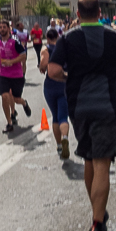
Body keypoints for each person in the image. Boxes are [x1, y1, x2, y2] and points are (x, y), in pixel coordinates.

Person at [48, 0, 116, 231]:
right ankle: (97, 224)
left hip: (79, 109)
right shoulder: (115, 37)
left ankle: (97, 213)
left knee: (88, 159)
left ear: (77, 12)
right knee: (102, 164)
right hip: (107, 107)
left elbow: (52, 71)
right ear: (99, 11)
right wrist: (112, 73)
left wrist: (69, 76)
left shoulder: (67, 39)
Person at [0, 19, 30, 133]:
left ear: (9, 29)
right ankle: (9, 123)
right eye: (0, 27)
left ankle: (24, 103)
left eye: (4, 27)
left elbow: (23, 56)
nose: (2, 29)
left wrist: (12, 62)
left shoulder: (15, 41)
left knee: (15, 99)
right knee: (5, 96)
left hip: (16, 75)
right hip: (3, 74)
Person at [39, 27, 70, 159]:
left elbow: (43, 64)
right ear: (57, 36)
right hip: (64, 84)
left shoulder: (45, 49)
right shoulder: (64, 49)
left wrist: (43, 68)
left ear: (47, 37)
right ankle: (65, 138)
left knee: (55, 116)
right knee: (63, 116)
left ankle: (58, 145)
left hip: (50, 86)